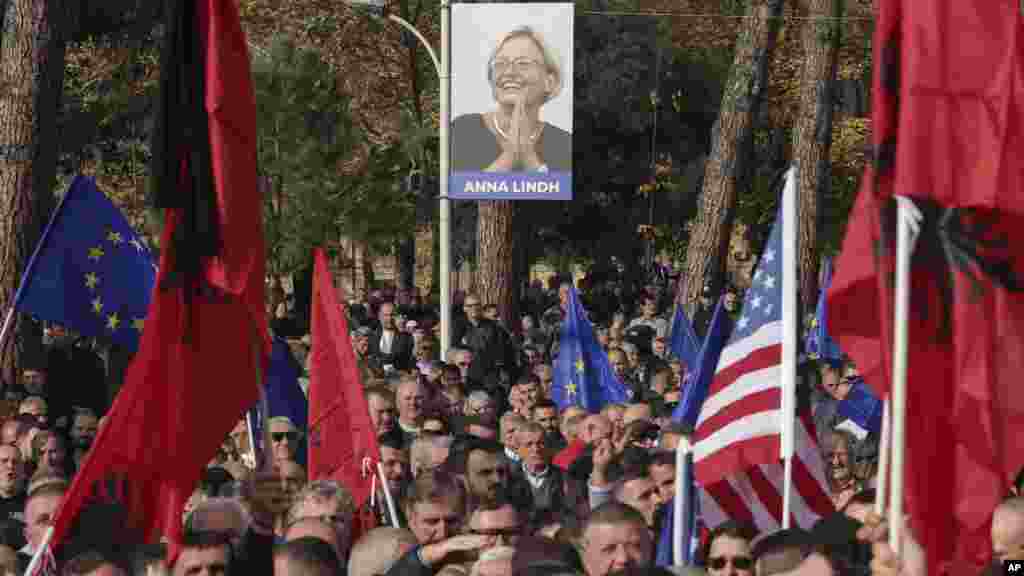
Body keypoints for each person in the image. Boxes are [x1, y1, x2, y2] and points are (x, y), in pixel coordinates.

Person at [451, 26, 571, 173]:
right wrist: (510, 155)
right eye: (500, 64)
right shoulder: (462, 131)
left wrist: (528, 155)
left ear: (549, 82)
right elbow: (463, 193)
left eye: (523, 64)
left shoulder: (565, 144)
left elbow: (557, 194)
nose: (509, 72)